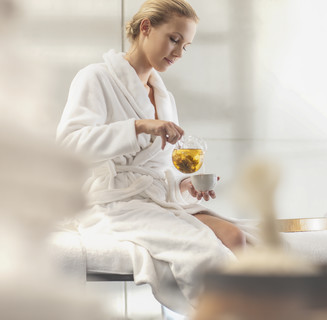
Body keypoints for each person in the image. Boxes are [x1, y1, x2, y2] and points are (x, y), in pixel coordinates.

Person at [56, 0, 248, 314]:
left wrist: (184, 186)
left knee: (237, 237)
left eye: (185, 46)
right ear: (146, 28)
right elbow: (69, 145)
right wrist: (137, 126)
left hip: (156, 198)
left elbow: (157, 169)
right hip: (114, 201)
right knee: (204, 252)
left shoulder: (164, 97)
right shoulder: (96, 78)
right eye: (174, 39)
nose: (178, 53)